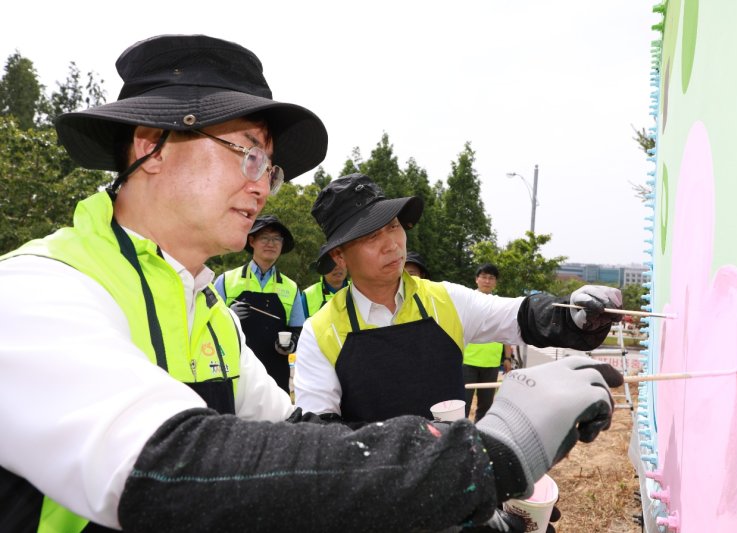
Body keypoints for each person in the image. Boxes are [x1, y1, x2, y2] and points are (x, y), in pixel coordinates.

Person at [0, 35, 623, 533]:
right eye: (246, 154)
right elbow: (168, 469)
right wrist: (482, 456)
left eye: (268, 168)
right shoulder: (39, 291)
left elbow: (286, 446)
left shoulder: (206, 305)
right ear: (152, 145)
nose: (262, 186)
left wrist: (433, 509)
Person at [294, 173, 625, 426]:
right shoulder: (321, 333)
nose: (391, 244)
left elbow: (519, 316)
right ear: (338, 256)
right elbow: (323, 439)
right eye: (370, 236)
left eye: (393, 226)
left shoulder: (445, 300)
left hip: (456, 487)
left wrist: (573, 313)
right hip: (372, 499)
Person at [214, 214, 302, 393]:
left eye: (276, 239)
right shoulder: (225, 280)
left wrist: (289, 344)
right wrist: (229, 315)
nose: (271, 243)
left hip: (276, 375)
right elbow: (210, 324)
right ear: (252, 241)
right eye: (265, 238)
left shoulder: (291, 287)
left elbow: (298, 330)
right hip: (236, 369)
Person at [463, 263, 514, 421]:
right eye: (484, 277)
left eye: (491, 278)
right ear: (476, 279)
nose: (487, 281)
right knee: (462, 404)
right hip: (467, 360)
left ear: (495, 282)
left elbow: (506, 331)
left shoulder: (499, 304)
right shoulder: (466, 300)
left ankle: (480, 439)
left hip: (491, 363)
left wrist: (507, 358)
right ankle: (458, 439)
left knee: (486, 406)